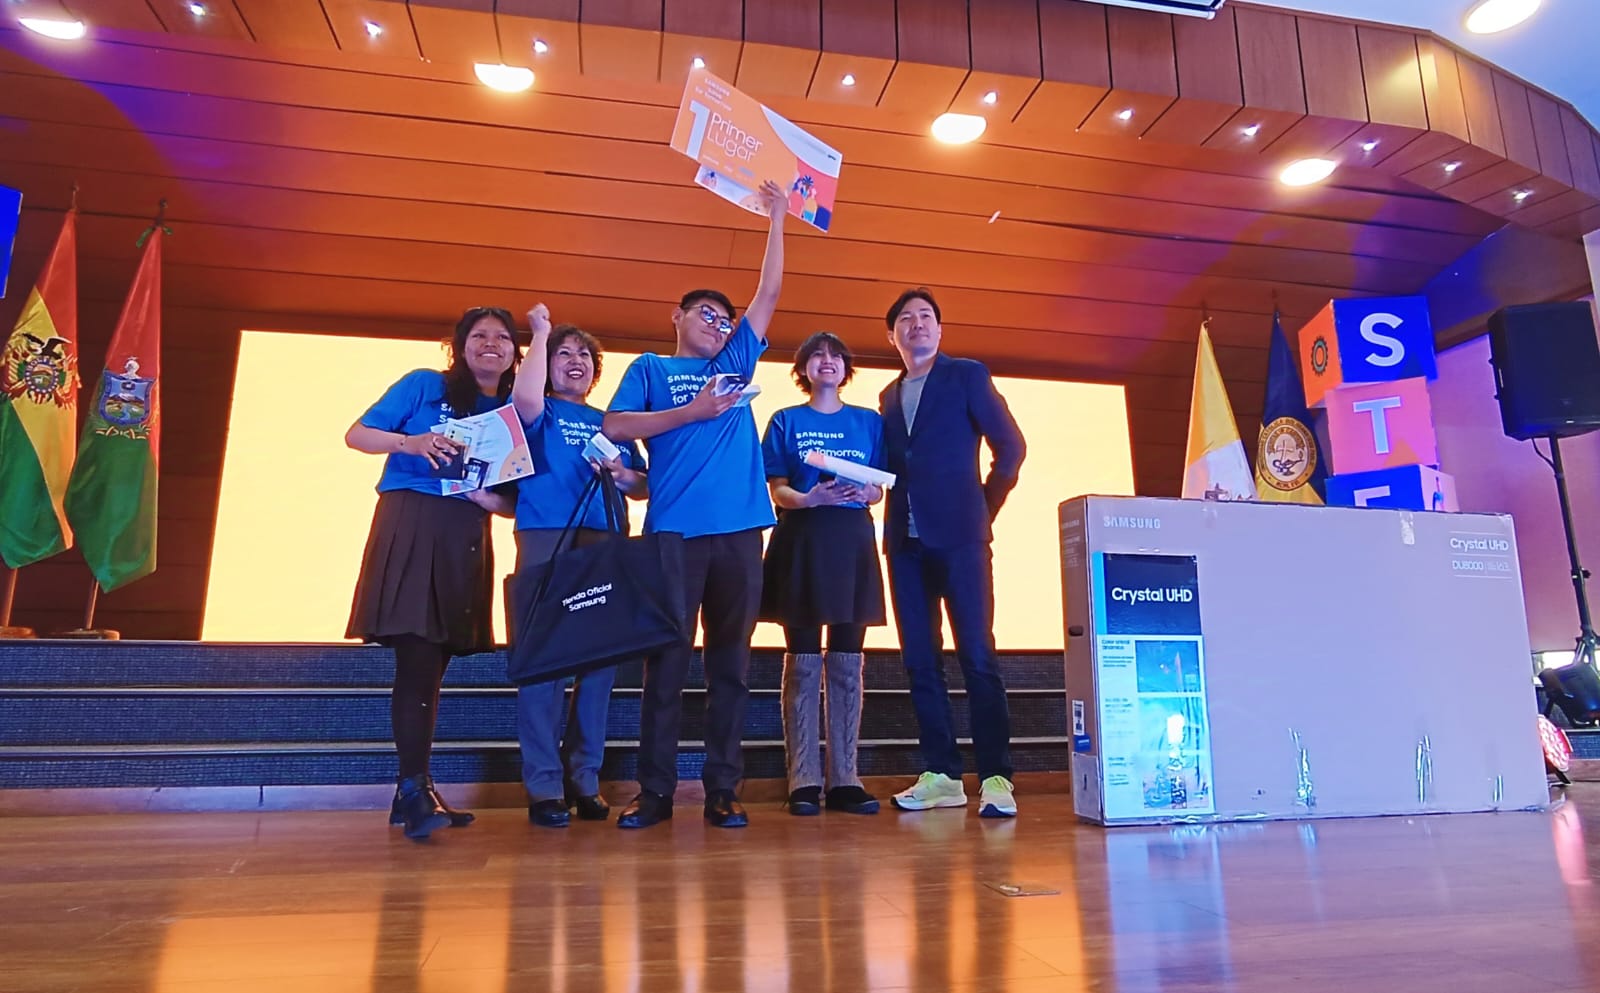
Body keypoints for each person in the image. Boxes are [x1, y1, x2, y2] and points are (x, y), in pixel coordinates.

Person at [602, 179, 788, 830]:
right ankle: (654, 792)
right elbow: (618, 426)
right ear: (675, 318)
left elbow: (768, 293)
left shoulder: (737, 358)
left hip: (742, 533)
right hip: (673, 535)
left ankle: (722, 790)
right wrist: (693, 410)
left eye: (722, 316)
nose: (716, 322)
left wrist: (776, 214)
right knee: (667, 667)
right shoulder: (653, 368)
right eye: (704, 313)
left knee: (731, 667)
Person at [344, 306, 522, 840]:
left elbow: (512, 501)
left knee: (435, 662)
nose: (491, 344)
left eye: (503, 337)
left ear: (517, 351)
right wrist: (412, 443)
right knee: (417, 657)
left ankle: (415, 788)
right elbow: (357, 434)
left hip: (466, 529)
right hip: (414, 520)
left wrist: (483, 496)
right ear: (459, 345)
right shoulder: (424, 385)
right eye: (478, 335)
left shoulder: (514, 409)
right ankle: (412, 787)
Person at [878, 287, 1026, 819]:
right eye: (906, 319)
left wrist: (983, 510)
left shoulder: (967, 375)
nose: (916, 324)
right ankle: (941, 774)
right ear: (891, 334)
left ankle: (995, 777)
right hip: (904, 545)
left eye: (926, 317)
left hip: (962, 540)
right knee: (919, 662)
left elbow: (1011, 448)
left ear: (939, 329)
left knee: (978, 659)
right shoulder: (888, 397)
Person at [508, 305, 647, 828]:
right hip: (545, 536)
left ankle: (585, 780)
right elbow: (522, 402)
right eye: (563, 354)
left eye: (584, 355)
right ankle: (543, 786)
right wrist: (541, 333)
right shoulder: (537, 408)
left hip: (604, 540)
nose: (575, 361)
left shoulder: (612, 423)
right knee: (544, 662)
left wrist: (620, 471)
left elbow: (641, 484)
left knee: (598, 667)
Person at [759, 331, 886, 817]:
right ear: (804, 369)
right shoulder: (785, 420)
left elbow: (880, 487)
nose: (827, 362)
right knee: (804, 655)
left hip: (851, 542)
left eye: (836, 355)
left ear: (846, 367)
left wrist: (865, 495)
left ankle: (845, 777)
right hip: (802, 540)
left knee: (849, 656)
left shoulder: (868, 422)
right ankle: (803, 778)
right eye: (817, 356)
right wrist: (809, 498)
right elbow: (777, 489)